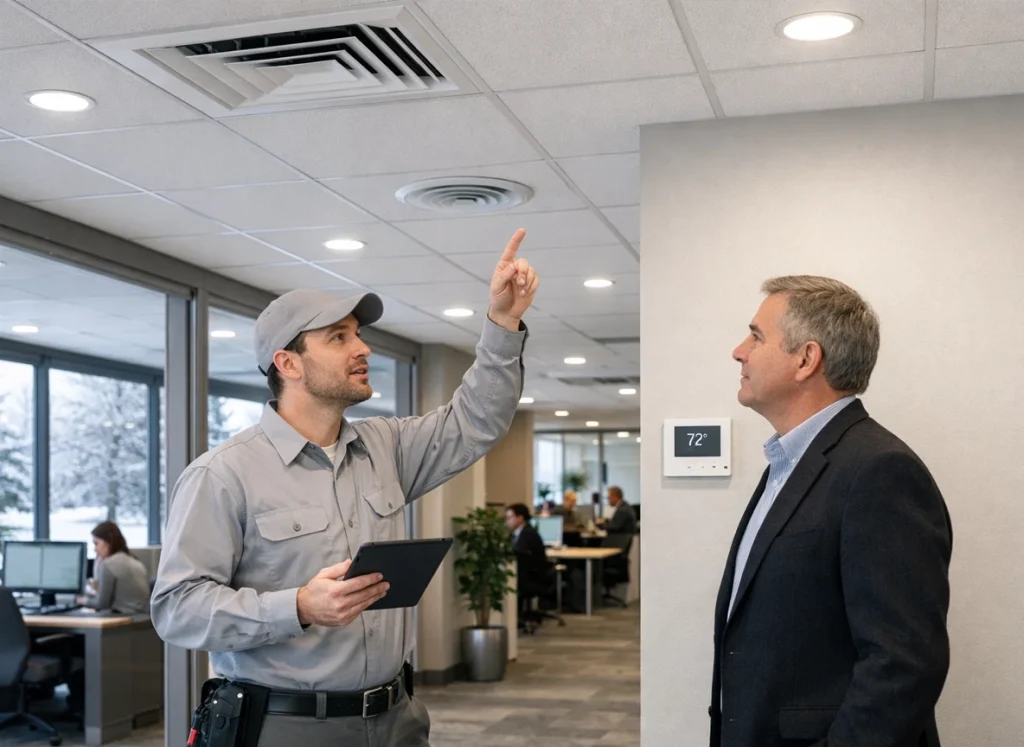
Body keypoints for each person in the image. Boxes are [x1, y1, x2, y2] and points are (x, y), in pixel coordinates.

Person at [152, 229, 538, 747]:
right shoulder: (223, 474)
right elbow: (177, 608)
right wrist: (298, 608)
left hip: (397, 718)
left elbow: (477, 422)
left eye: (357, 334)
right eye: (338, 337)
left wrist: (503, 322)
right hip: (285, 727)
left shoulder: (388, 448)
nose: (363, 348)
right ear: (288, 364)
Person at [711, 276, 952, 747]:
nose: (739, 351)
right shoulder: (789, 463)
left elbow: (904, 664)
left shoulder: (880, 470)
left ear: (806, 359)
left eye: (757, 336)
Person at [76, 521, 151, 614]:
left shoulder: (108, 564)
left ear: (108, 542)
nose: (95, 549)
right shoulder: (134, 561)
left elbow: (102, 604)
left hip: (121, 618)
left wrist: (80, 600)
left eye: (96, 543)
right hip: (141, 619)